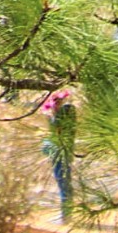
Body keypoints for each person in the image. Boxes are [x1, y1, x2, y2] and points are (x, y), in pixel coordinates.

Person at [40, 87, 76, 222]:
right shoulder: (64, 112)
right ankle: (66, 213)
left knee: (64, 182)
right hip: (58, 152)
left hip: (62, 152)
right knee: (63, 181)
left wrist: (52, 115)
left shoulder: (67, 111)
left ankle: (66, 215)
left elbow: (59, 129)